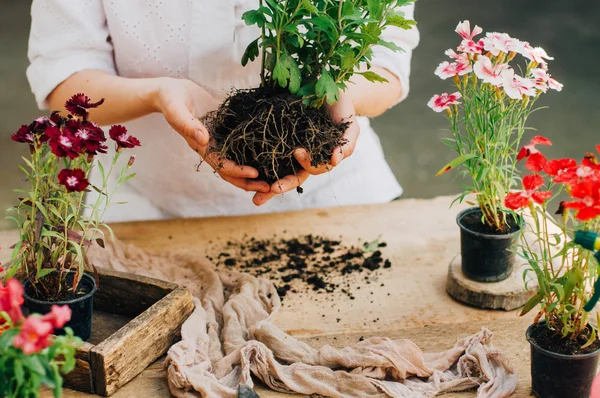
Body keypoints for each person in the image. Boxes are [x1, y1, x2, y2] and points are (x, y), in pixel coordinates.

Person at [26, 1, 420, 222]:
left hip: (332, 205)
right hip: (151, 209)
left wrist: (334, 96)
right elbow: (64, 76)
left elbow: (388, 61)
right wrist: (158, 94)